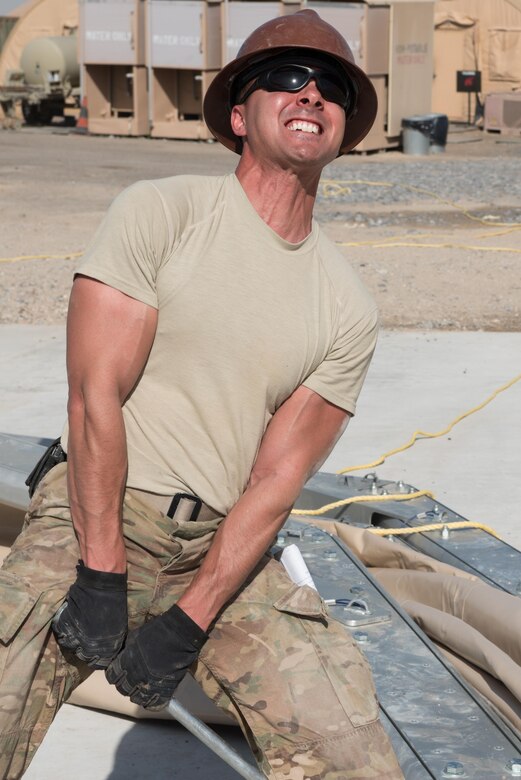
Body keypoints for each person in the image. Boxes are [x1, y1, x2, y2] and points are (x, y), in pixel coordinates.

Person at [0, 9, 404, 779]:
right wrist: (101, 572)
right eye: (283, 78)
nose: (310, 93)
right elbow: (94, 399)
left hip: (218, 551)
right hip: (99, 515)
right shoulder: (164, 213)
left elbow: (276, 482)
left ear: (346, 127)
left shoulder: (347, 306)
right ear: (238, 113)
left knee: (346, 743)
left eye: (331, 87)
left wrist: (187, 621)